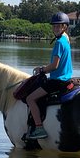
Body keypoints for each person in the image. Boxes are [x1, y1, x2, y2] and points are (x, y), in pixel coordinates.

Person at [26, 11, 73, 140]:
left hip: (57, 81)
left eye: (59, 26)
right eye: (54, 26)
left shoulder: (59, 43)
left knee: (30, 98)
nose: (56, 28)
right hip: (66, 78)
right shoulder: (65, 40)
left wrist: (42, 69)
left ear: (64, 27)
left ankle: (39, 128)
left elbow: (55, 66)